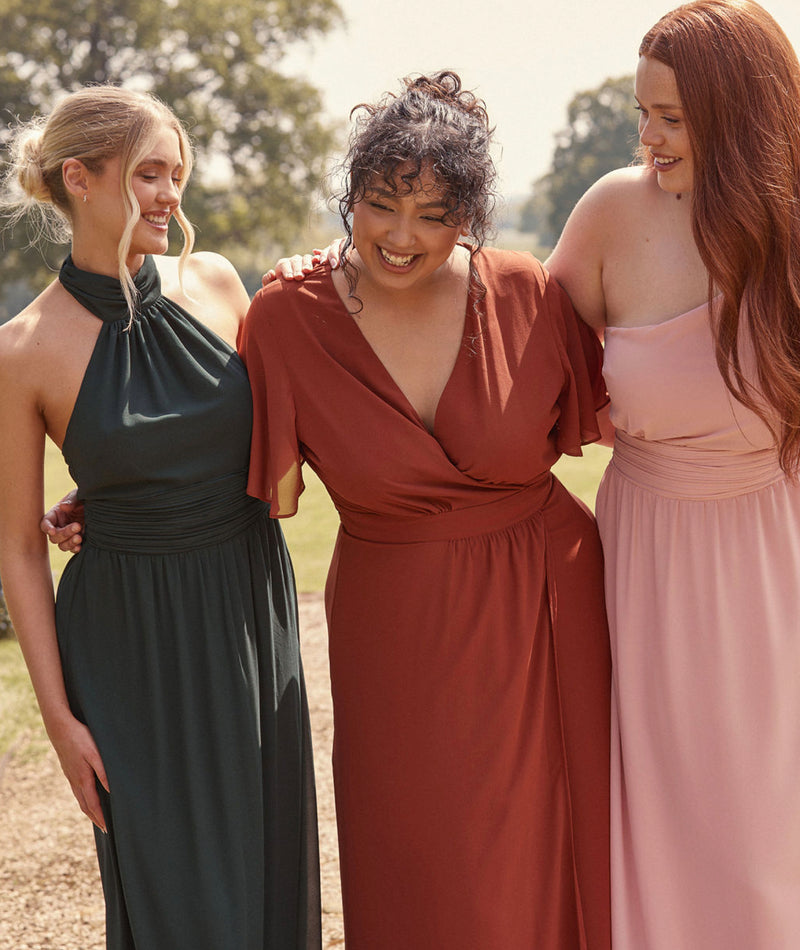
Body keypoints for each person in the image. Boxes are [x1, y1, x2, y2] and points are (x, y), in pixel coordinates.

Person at [240, 71, 612, 949]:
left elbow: (645, 424)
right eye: (380, 205)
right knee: (418, 855)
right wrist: (106, 502)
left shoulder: (529, 293)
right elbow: (232, 464)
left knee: (556, 846)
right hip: (396, 629)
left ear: (469, 218)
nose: (402, 238)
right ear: (350, 197)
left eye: (434, 217)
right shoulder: (286, 317)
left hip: (549, 609)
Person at [0, 86, 320, 949]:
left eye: (177, 174)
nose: (171, 194)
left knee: (266, 870)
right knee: (178, 895)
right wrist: (60, 720)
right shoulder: (22, 351)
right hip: (130, 644)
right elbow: (18, 551)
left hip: (251, 608)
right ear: (81, 178)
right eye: (149, 174)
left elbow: (282, 439)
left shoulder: (215, 282)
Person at [545, 2, 800, 946]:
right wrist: (342, 278)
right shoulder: (614, 211)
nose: (649, 138)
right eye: (641, 112)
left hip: (780, 563)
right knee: (660, 812)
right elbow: (508, 360)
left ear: (742, 115)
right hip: (647, 558)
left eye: (674, 119)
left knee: (767, 833)